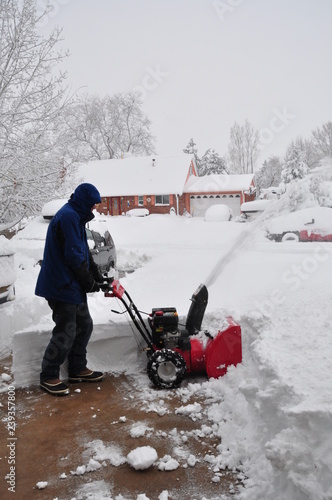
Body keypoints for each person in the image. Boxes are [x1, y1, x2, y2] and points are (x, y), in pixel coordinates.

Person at [35, 183, 106, 396]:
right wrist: (88, 282)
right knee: (66, 330)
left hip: (71, 285)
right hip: (61, 285)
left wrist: (97, 276)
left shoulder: (76, 216)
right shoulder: (68, 217)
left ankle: (77, 369)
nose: (95, 208)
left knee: (85, 325)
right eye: (93, 204)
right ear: (85, 201)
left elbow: (83, 252)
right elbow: (74, 257)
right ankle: (48, 376)